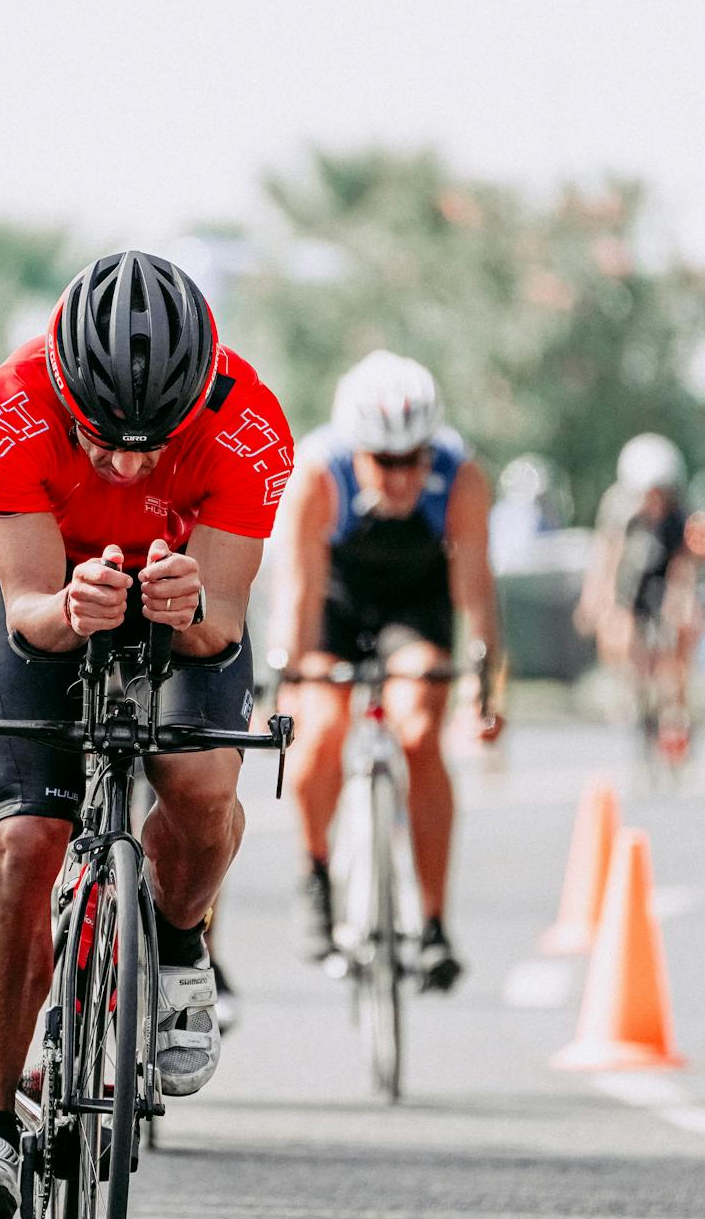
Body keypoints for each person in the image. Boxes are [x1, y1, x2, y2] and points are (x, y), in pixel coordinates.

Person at [0, 251, 291, 1218]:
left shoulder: (251, 426)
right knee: (20, 843)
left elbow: (221, 620)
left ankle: (180, 947)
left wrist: (191, 608)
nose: (131, 464)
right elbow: (27, 615)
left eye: (156, 444)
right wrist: (69, 603)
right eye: (104, 440)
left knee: (201, 785)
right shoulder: (6, 414)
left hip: (183, 593)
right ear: (62, 390)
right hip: (57, 591)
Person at [269, 351, 503, 994]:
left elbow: (476, 593)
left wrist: (483, 690)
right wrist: (288, 683)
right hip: (337, 607)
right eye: (384, 461)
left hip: (413, 609)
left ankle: (431, 925)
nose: (402, 478)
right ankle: (314, 875)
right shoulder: (319, 473)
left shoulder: (461, 478)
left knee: (420, 730)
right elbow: (299, 591)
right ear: (356, 449)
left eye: (415, 459)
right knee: (320, 727)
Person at [576, 433, 699, 751]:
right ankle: (637, 697)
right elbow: (606, 556)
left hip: (664, 580)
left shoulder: (679, 516)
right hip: (632, 583)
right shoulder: (620, 510)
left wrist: (680, 603)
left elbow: (683, 566)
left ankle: (677, 713)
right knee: (625, 638)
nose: (654, 501)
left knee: (681, 635)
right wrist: (599, 601)